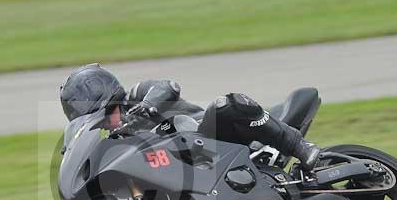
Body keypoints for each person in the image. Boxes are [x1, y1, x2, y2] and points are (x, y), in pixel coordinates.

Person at [59, 63, 321, 171]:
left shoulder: (137, 96)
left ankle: (299, 146)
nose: (108, 124)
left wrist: (150, 105)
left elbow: (168, 85)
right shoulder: (115, 141)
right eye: (100, 122)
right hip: (194, 170)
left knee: (227, 105)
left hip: (212, 138)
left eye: (105, 116)